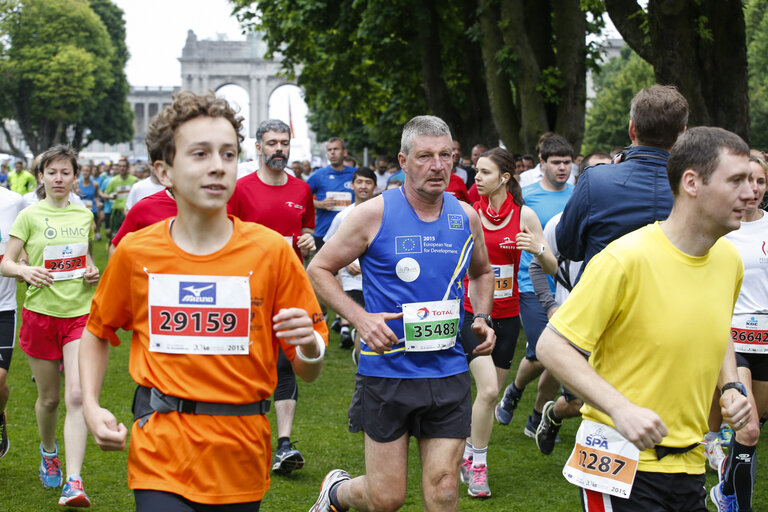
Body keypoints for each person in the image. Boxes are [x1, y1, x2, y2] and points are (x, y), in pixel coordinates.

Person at [79, 91, 328, 511]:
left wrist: (309, 344)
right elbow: (97, 330)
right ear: (164, 171)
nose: (217, 165)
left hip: (242, 453)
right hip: (160, 451)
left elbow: (309, 370)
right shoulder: (136, 253)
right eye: (200, 153)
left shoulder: (271, 253)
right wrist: (89, 404)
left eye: (228, 154)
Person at [537, 126, 753, 511]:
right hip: (619, 462)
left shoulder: (729, 260)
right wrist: (621, 409)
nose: (752, 192)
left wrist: (732, 385)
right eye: (736, 180)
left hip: (689, 462)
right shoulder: (624, 260)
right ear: (692, 183)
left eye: (753, 180)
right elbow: (551, 346)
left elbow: (717, 328)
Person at [307, 115, 496, 512]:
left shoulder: (466, 216)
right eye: (425, 156)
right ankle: (336, 494)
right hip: (388, 372)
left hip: (448, 370)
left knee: (444, 488)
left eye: (446, 155)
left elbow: (481, 272)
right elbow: (319, 269)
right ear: (403, 161)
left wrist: (482, 317)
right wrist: (360, 318)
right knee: (386, 498)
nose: (438, 165)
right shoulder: (372, 214)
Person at [0, 145, 100, 507]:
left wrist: (91, 269)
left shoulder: (84, 213)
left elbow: (84, 255)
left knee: (76, 395)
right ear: (41, 177)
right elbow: (6, 263)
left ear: (76, 177)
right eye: (52, 173)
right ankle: (48, 450)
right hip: (40, 316)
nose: (59, 179)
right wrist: (25, 270)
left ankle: (74, 481)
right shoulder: (28, 215)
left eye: (66, 172)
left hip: (79, 315)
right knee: (50, 398)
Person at [459, 147, 556, 498]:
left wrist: (538, 249)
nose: (476, 178)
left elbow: (553, 269)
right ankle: (480, 467)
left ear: (504, 177)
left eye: (483, 172)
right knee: (486, 391)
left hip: (508, 315)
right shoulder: (468, 214)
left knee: (490, 394)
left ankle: (468, 454)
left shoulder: (525, 215)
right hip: (473, 314)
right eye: (475, 172)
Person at [228, 119, 316, 476]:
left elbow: (306, 228)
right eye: (272, 143)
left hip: (288, 289)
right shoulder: (241, 189)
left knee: (286, 363)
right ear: (259, 147)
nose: (279, 149)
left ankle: (283, 444)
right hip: (246, 291)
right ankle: (240, 437)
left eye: (284, 143)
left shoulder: (301, 190)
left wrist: (309, 240)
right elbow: (224, 235)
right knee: (244, 364)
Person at [556, 84, 689, 280]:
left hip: (604, 299)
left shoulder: (595, 180)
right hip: (670, 300)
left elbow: (568, 247)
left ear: (632, 129)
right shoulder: (696, 189)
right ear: (683, 133)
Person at [529, 152, 612, 456]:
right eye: (597, 172)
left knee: (612, 394)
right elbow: (537, 267)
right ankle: (553, 414)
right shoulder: (558, 224)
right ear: (583, 183)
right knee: (578, 402)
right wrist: (550, 305)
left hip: (613, 324)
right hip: (573, 325)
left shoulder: (627, 223)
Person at [495, 134, 575, 439]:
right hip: (530, 282)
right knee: (543, 352)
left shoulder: (579, 194)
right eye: (556, 162)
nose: (562, 168)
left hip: (568, 285)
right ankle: (514, 392)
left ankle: (538, 414)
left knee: (561, 353)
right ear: (541, 163)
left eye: (567, 163)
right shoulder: (526, 196)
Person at [709, 154, 768, 512]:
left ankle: (725, 486)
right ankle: (738, 506)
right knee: (748, 430)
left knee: (755, 426)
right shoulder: (718, 229)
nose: (754, 189)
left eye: (760, 182)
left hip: (767, 339)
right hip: (730, 340)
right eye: (746, 181)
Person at [322, 167, 378, 355]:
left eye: (368, 182)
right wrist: (345, 264)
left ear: (375, 187)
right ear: (352, 185)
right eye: (359, 182)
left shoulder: (383, 214)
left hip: (377, 282)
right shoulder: (342, 217)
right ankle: (361, 358)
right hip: (351, 282)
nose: (363, 186)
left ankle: (361, 354)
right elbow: (328, 248)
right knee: (364, 323)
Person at [0, 185, 25, 459]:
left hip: (2, 306)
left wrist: (23, 266)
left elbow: (27, 243)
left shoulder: (13, 201)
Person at [307, 138, 356, 250]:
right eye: (329, 150)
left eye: (336, 149)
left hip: (350, 233)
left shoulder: (355, 174)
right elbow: (301, 199)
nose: (332, 152)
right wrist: (319, 204)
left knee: (352, 268)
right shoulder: (318, 175)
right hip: (324, 233)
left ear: (344, 152)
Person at [102, 158, 138, 235]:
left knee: (129, 235)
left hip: (129, 212)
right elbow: (105, 194)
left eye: (124, 166)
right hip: (117, 212)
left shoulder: (134, 180)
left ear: (127, 167)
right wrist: (110, 197)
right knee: (115, 235)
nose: (122, 168)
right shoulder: (114, 180)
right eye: (120, 166)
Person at [78, 163, 103, 241]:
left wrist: (98, 202)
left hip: (92, 211)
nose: (85, 172)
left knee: (92, 231)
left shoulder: (95, 184)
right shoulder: (76, 183)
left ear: (90, 172)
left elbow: (96, 196)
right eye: (83, 171)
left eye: (87, 171)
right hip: (80, 211)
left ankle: (90, 252)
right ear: (81, 172)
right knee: (81, 233)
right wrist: (76, 192)